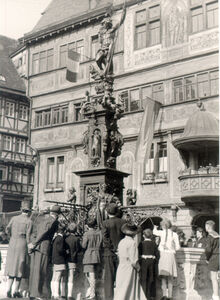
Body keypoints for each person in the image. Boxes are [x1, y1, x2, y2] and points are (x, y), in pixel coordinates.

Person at [28, 205, 61, 299]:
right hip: (43, 247)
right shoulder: (52, 221)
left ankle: (32, 292)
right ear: (57, 214)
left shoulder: (42, 219)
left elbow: (35, 231)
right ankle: (37, 294)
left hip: (38, 247)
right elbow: (43, 232)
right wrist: (34, 243)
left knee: (35, 270)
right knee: (41, 271)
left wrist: (32, 243)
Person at [5, 201, 32, 298]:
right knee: (20, 266)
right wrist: (30, 246)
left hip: (12, 242)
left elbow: (7, 229)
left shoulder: (14, 218)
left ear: (21, 210)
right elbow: (29, 237)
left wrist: (10, 237)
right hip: (22, 243)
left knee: (12, 266)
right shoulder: (29, 221)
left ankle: (8, 289)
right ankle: (16, 290)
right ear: (29, 211)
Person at [114, 223, 146, 300]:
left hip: (121, 267)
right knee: (129, 289)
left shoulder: (121, 242)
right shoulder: (132, 243)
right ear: (134, 234)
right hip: (129, 268)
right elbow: (134, 260)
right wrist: (138, 268)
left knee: (121, 288)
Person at [102, 203, 125, 300]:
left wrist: (113, 249)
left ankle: (109, 298)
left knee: (109, 278)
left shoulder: (105, 223)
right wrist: (119, 249)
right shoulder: (123, 222)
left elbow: (105, 239)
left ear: (107, 212)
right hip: (122, 252)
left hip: (109, 253)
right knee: (121, 277)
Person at [153, 219, 180, 300]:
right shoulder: (174, 234)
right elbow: (178, 247)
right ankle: (170, 296)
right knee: (170, 277)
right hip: (171, 255)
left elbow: (154, 232)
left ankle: (164, 295)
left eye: (161, 226)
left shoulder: (161, 232)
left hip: (163, 255)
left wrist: (154, 227)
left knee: (163, 277)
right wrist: (172, 247)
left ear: (163, 226)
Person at [81, 218, 102, 300]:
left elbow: (83, 246)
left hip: (89, 255)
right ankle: (90, 293)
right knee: (93, 275)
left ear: (87, 225)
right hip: (96, 255)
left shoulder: (87, 234)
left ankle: (92, 294)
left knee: (90, 275)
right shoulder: (99, 233)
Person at [139, 228, 159, 300]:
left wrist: (141, 258)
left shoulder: (141, 243)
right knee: (151, 279)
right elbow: (157, 255)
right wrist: (153, 259)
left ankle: (143, 296)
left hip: (144, 263)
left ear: (143, 236)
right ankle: (151, 296)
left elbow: (139, 254)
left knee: (143, 279)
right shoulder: (154, 244)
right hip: (152, 264)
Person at [65, 222, 81, 300]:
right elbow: (79, 249)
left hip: (65, 259)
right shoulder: (76, 239)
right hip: (73, 259)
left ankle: (62, 293)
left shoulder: (65, 238)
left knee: (63, 276)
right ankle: (69, 295)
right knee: (71, 276)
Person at [51, 222, 67, 300]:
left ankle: (53, 293)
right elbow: (60, 250)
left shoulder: (55, 238)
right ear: (63, 231)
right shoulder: (61, 239)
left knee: (54, 277)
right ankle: (57, 294)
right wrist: (66, 251)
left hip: (54, 259)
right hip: (60, 260)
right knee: (57, 278)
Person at [205, 220, 219, 300]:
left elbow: (208, 250)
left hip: (213, 258)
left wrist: (207, 258)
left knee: (214, 278)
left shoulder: (210, 236)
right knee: (217, 278)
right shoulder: (217, 235)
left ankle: (216, 296)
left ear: (208, 226)